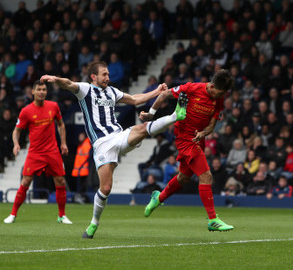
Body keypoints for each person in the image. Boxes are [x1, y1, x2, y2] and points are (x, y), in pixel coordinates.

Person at [41, 61, 185, 239]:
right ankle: (94, 223)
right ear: (94, 76)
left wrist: (157, 92)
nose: (108, 78)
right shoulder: (86, 89)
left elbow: (133, 99)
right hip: (102, 144)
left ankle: (174, 116)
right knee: (106, 188)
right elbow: (69, 84)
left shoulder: (111, 91)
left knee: (142, 128)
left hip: (118, 135)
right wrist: (55, 79)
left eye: (108, 74)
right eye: (104, 74)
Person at [141, 69, 234, 231]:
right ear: (211, 86)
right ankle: (212, 219)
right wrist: (151, 114)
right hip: (184, 138)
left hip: (199, 139)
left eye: (223, 94)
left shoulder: (219, 98)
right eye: (219, 93)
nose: (220, 97)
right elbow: (164, 95)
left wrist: (204, 133)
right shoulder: (192, 88)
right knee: (206, 175)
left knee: (183, 178)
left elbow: (212, 123)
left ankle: (158, 197)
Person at [3, 81, 72, 225]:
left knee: (60, 181)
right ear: (33, 92)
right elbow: (17, 130)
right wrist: (16, 144)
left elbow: (61, 124)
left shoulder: (53, 106)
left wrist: (64, 143)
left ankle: (62, 215)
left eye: (44, 89)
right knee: (26, 181)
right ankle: (13, 214)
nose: (42, 92)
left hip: (52, 151)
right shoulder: (26, 111)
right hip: (35, 153)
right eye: (39, 89)